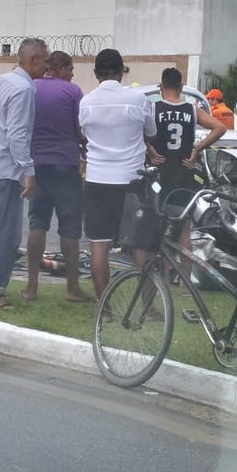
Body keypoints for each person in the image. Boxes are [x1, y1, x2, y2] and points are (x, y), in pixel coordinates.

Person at [0, 39, 50, 309]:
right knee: (9, 233)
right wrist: (28, 170)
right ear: (33, 61)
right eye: (45, 60)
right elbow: (17, 134)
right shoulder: (24, 89)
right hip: (7, 168)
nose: (47, 65)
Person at [80, 48, 157, 298]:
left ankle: (106, 308)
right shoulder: (137, 99)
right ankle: (148, 305)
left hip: (97, 180)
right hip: (130, 181)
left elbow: (84, 132)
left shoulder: (86, 102)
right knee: (139, 246)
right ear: (122, 72)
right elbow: (152, 132)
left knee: (99, 246)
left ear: (95, 74)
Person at [22, 50, 91, 304]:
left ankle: (31, 287)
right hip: (65, 165)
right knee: (70, 228)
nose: (72, 74)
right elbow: (80, 128)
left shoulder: (31, 88)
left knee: (37, 224)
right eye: (70, 68)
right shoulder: (73, 92)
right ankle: (72, 288)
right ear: (60, 68)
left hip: (37, 166)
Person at [148, 67, 226, 282]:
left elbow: (138, 129)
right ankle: (184, 282)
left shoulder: (154, 108)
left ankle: (163, 278)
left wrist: (150, 150)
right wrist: (197, 149)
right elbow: (219, 128)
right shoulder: (192, 109)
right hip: (184, 173)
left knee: (162, 228)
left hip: (161, 174)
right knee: (185, 231)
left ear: (161, 87)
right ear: (181, 87)